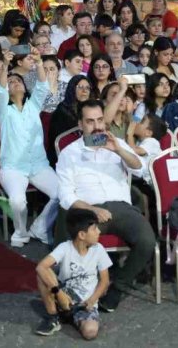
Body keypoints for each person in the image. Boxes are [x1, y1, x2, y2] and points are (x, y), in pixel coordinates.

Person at [55, 99, 153, 313]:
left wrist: (119, 150)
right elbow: (65, 195)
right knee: (73, 239)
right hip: (88, 211)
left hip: (121, 209)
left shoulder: (116, 144)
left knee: (147, 241)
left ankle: (117, 287)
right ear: (80, 125)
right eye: (90, 122)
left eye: (100, 120)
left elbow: (141, 169)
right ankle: (71, 293)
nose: (97, 126)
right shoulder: (69, 153)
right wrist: (92, 209)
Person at [0, 50, 59, 247]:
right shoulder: (4, 110)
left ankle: (39, 228)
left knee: (63, 193)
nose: (15, 83)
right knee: (18, 201)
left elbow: (42, 85)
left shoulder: (33, 106)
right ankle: (20, 233)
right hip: (13, 167)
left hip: (39, 165)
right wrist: (6, 65)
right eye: (11, 82)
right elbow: (0, 90)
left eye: (18, 81)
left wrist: (39, 62)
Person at [34, 208, 111, 338]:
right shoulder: (65, 247)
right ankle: (53, 317)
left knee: (90, 332)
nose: (99, 231)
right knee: (42, 273)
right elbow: (40, 267)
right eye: (94, 229)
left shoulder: (99, 250)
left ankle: (71, 317)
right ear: (82, 235)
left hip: (84, 304)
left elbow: (104, 281)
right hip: (63, 296)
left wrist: (92, 300)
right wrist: (59, 294)